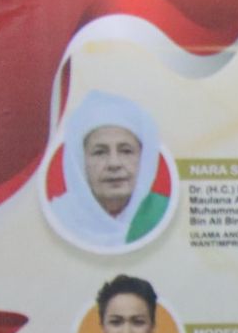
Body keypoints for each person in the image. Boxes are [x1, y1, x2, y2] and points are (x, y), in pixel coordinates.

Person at [47, 91, 170, 250]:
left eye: (126, 151)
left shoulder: (163, 212)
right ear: (80, 161)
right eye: (100, 152)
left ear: (144, 159)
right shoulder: (58, 216)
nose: (114, 164)